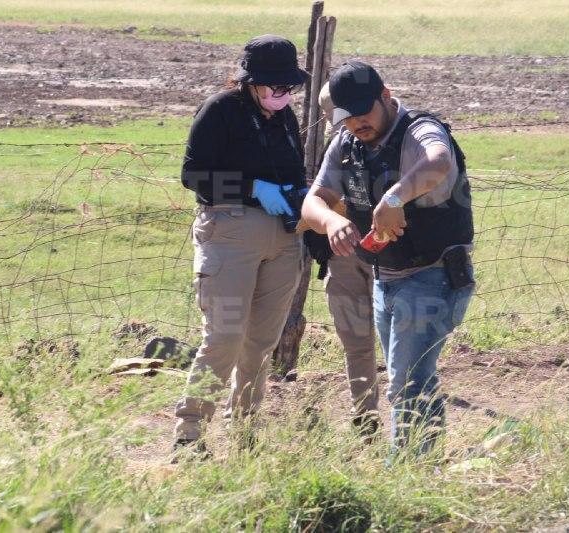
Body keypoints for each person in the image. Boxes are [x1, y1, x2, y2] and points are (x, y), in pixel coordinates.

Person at [301, 61, 475, 455]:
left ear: (386, 96)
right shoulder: (346, 143)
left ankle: (410, 470)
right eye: (346, 117)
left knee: (407, 380)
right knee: (413, 378)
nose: (357, 123)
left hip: (432, 276)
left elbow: (438, 162)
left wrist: (394, 197)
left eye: (364, 111)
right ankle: (423, 467)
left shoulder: (419, 130)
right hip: (387, 277)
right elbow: (313, 201)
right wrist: (329, 221)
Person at [174, 35, 309, 456]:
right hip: (229, 234)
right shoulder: (220, 110)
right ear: (250, 81)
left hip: (283, 240)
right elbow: (193, 176)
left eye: (288, 86)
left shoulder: (285, 117)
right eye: (274, 85)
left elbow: (295, 171)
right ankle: (189, 433)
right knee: (225, 337)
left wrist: (296, 198)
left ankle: (244, 431)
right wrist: (253, 189)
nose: (282, 93)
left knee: (261, 341)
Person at [304, 82, 380, 440]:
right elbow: (317, 202)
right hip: (346, 256)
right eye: (336, 118)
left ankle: (408, 419)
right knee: (355, 340)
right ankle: (365, 415)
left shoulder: (403, 140)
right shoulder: (340, 146)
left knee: (400, 341)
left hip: (393, 257)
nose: (345, 124)